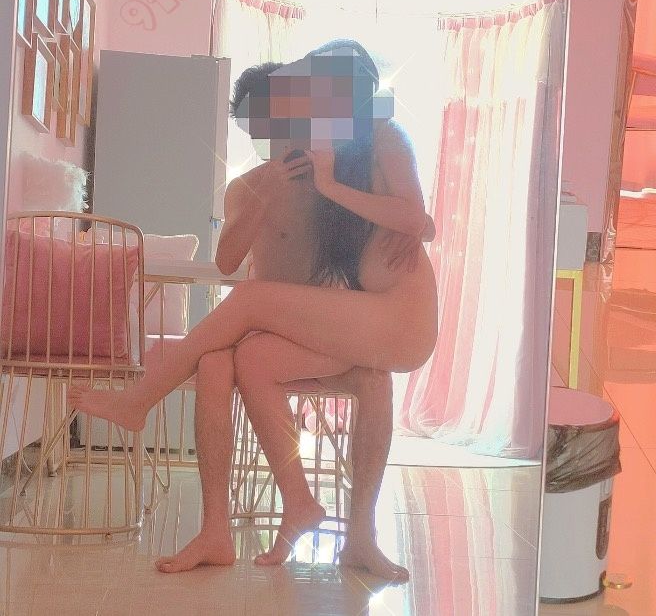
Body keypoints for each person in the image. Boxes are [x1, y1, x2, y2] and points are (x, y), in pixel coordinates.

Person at [68, 40, 438, 578]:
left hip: (351, 321)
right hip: (292, 328)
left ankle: (360, 535)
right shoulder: (260, 181)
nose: (273, 133)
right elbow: (226, 261)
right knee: (227, 360)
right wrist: (265, 196)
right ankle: (223, 529)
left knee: (360, 370)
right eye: (258, 125)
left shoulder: (342, 162)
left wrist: (402, 216)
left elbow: (411, 218)